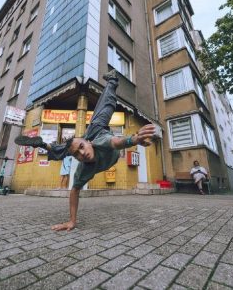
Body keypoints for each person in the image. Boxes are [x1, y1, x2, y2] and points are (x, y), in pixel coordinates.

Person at [15, 70, 157, 231]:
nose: (83, 154)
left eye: (83, 148)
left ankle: (112, 80)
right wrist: (72, 221)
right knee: (70, 148)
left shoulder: (100, 142)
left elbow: (117, 142)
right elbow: (74, 191)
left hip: (97, 132)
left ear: (89, 143)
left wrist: (134, 139)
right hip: (86, 139)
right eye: (78, 154)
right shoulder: (82, 169)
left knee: (105, 108)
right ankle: (43, 144)